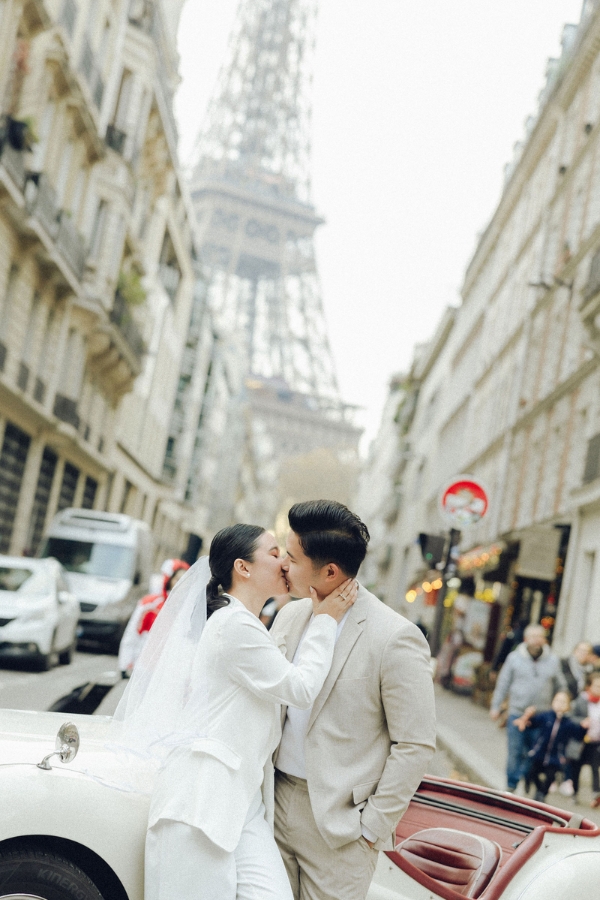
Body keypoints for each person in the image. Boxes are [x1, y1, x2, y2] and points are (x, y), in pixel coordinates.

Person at [115, 523, 358, 900]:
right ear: (243, 568)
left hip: (242, 803)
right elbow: (300, 688)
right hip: (200, 802)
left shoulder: (246, 624)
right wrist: (326, 619)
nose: (284, 564)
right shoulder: (232, 626)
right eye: (275, 554)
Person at [271, 500, 436, 900]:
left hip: (341, 829)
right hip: (273, 804)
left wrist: (371, 829)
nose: (283, 566)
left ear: (330, 571)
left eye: (291, 558)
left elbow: (414, 744)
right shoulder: (290, 617)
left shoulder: (395, 636)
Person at [490, 624, 567, 792]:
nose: (536, 640)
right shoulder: (514, 658)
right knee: (515, 751)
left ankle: (527, 779)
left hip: (542, 716)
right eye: (532, 637)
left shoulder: (553, 660)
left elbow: (561, 686)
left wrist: (562, 704)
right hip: (517, 713)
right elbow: (503, 684)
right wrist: (496, 706)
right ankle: (511, 786)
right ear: (526, 639)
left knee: (533, 754)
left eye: (539, 636)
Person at [117, 558, 190, 677]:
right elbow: (132, 634)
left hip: (169, 671)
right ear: (169, 579)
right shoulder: (150, 604)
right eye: (177, 579)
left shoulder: (188, 609)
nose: (180, 583)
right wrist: (125, 664)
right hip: (144, 666)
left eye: (185, 580)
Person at [513, 691, 586, 802]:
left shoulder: (568, 723)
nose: (559, 704)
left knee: (550, 776)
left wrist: (584, 728)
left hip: (555, 756)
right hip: (540, 752)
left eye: (563, 702)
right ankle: (538, 789)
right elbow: (533, 723)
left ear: (568, 706)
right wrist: (526, 718)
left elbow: (577, 735)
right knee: (533, 772)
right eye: (557, 700)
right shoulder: (546, 716)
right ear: (552, 702)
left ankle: (542, 794)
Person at [564, 671, 600, 805]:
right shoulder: (581, 701)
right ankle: (574, 793)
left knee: (595, 767)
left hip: (595, 741)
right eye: (597, 686)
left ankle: (596, 793)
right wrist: (581, 722)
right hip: (581, 741)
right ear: (589, 687)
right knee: (576, 768)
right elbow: (571, 718)